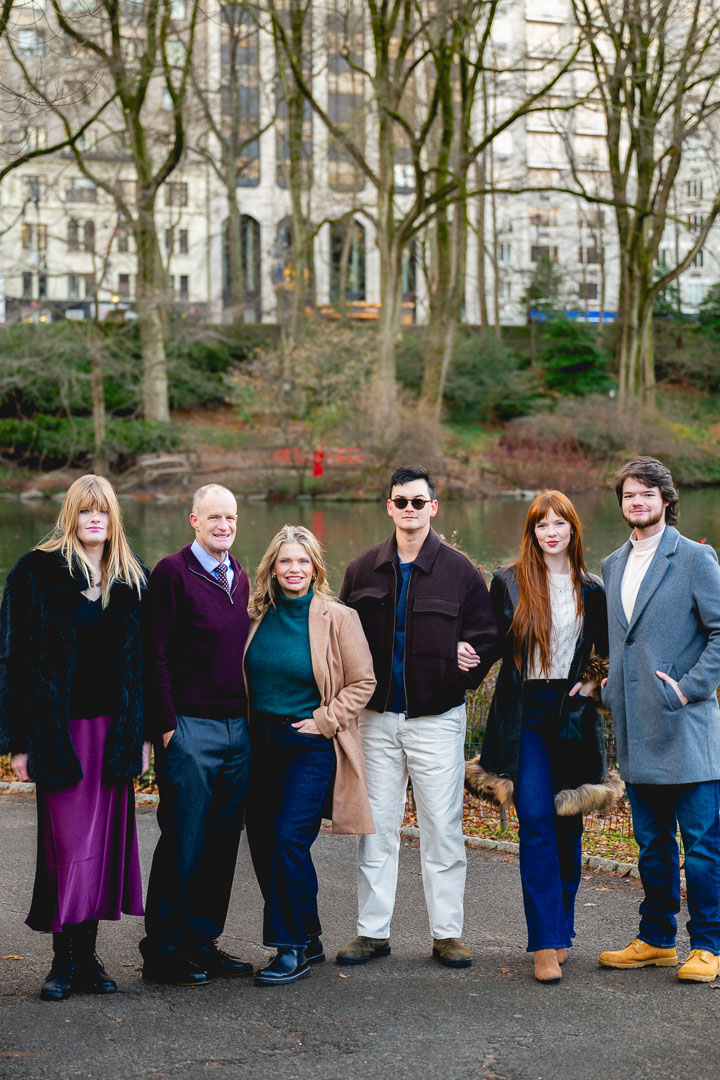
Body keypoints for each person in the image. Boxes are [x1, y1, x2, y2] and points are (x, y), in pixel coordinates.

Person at [335, 466, 498, 969]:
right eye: (400, 501)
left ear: (433, 507)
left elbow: (488, 636)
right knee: (376, 828)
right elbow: (340, 638)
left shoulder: (461, 572)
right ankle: (372, 932)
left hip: (437, 718)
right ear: (389, 507)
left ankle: (447, 934)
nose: (409, 509)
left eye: (418, 501)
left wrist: (464, 663)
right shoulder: (362, 570)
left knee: (442, 828)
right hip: (376, 719)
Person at [0, 474, 149, 1001]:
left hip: (114, 733)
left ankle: (88, 958)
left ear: (113, 518)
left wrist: (143, 733)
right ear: (71, 515)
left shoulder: (133, 578)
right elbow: (12, 661)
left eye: (103, 511)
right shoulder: (35, 573)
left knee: (104, 848)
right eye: (85, 511)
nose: (94, 520)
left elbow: (146, 667)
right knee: (68, 846)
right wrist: (18, 742)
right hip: (58, 734)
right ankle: (63, 960)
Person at [465, 490, 621, 983]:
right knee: (534, 819)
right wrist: (462, 658)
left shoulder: (592, 589)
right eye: (541, 525)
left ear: (573, 530)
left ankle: (562, 927)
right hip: (523, 713)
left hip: (573, 713)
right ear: (532, 532)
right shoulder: (508, 582)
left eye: (560, 524)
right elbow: (490, 640)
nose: (551, 532)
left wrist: (594, 680)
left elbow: (608, 650)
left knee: (567, 823)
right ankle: (543, 944)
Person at [598, 457, 720, 983]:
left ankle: (709, 946)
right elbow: (622, 640)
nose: (637, 502)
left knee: (702, 848)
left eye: (647, 494)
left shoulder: (695, 557)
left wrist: (689, 690)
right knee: (650, 846)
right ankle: (656, 939)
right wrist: (606, 687)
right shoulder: (611, 565)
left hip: (688, 729)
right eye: (629, 495)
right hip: (638, 731)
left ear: (666, 500)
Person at [244, 524, 376, 986]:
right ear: (272, 568)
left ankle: (290, 948)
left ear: (315, 567)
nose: (294, 569)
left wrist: (324, 719)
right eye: (285, 561)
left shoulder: (338, 617)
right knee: (264, 844)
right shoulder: (256, 615)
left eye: (302, 561)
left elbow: (363, 682)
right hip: (259, 744)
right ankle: (312, 935)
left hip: (310, 747)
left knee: (287, 840)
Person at [139, 484, 253, 986]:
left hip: (238, 731)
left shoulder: (242, 576)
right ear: (194, 520)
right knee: (183, 839)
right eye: (213, 518)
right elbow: (154, 653)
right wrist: (166, 727)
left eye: (230, 517)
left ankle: (201, 941)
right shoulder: (172, 573)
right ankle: (162, 949)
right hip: (189, 730)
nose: (223, 526)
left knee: (222, 841)